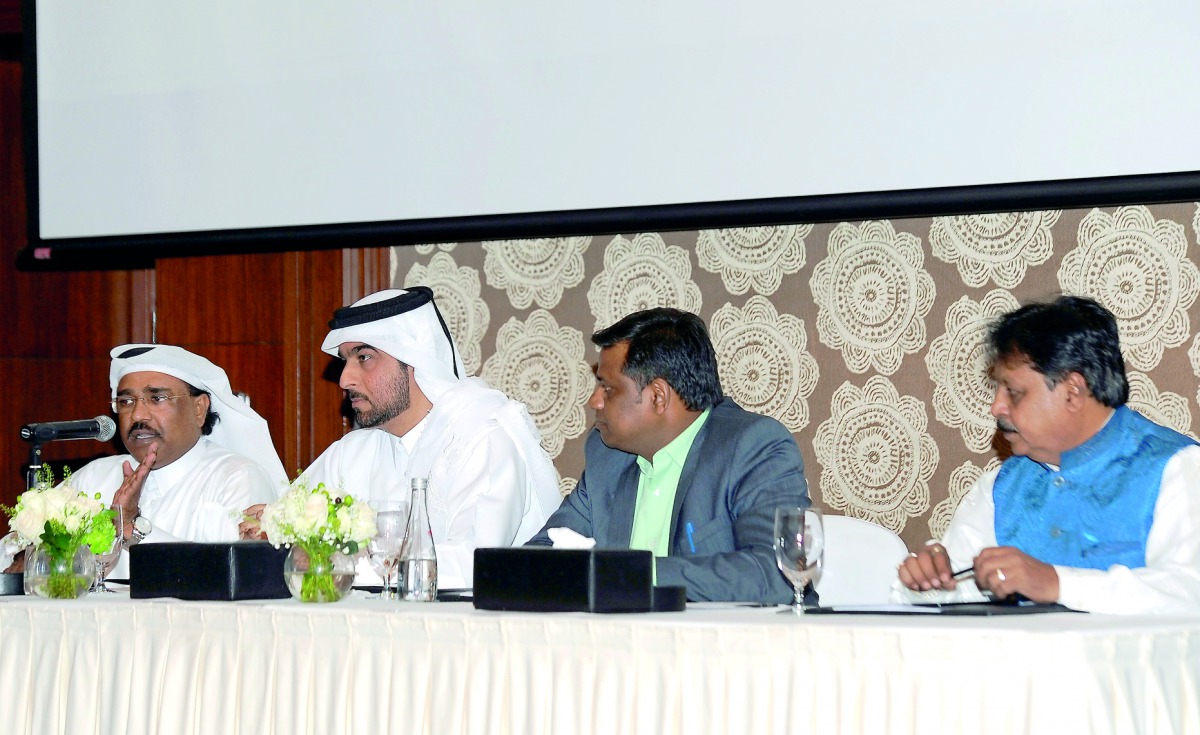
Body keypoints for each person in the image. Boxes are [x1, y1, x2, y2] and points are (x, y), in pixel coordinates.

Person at [240, 287, 561, 589]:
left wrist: (341, 561)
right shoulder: (353, 451)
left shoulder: (483, 440)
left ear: (415, 360)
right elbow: (287, 525)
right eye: (345, 360)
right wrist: (271, 529)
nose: (345, 379)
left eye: (363, 357)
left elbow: (473, 563)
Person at [897, 295, 1200, 614]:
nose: (996, 407)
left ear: (1072, 391)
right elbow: (957, 595)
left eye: (1013, 392)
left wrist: (1057, 583)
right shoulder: (1001, 488)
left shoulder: (1179, 470)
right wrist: (929, 582)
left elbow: (1190, 589)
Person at [527, 307, 810, 604]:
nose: (594, 401)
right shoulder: (606, 455)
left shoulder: (754, 448)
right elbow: (543, 552)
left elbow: (778, 574)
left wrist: (630, 573)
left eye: (607, 388)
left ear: (658, 397)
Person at [0, 345, 288, 574]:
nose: (137, 416)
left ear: (199, 409)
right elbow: (14, 557)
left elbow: (231, 575)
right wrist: (28, 557)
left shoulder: (237, 477)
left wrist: (132, 527)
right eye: (126, 402)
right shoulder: (93, 477)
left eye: (157, 398)